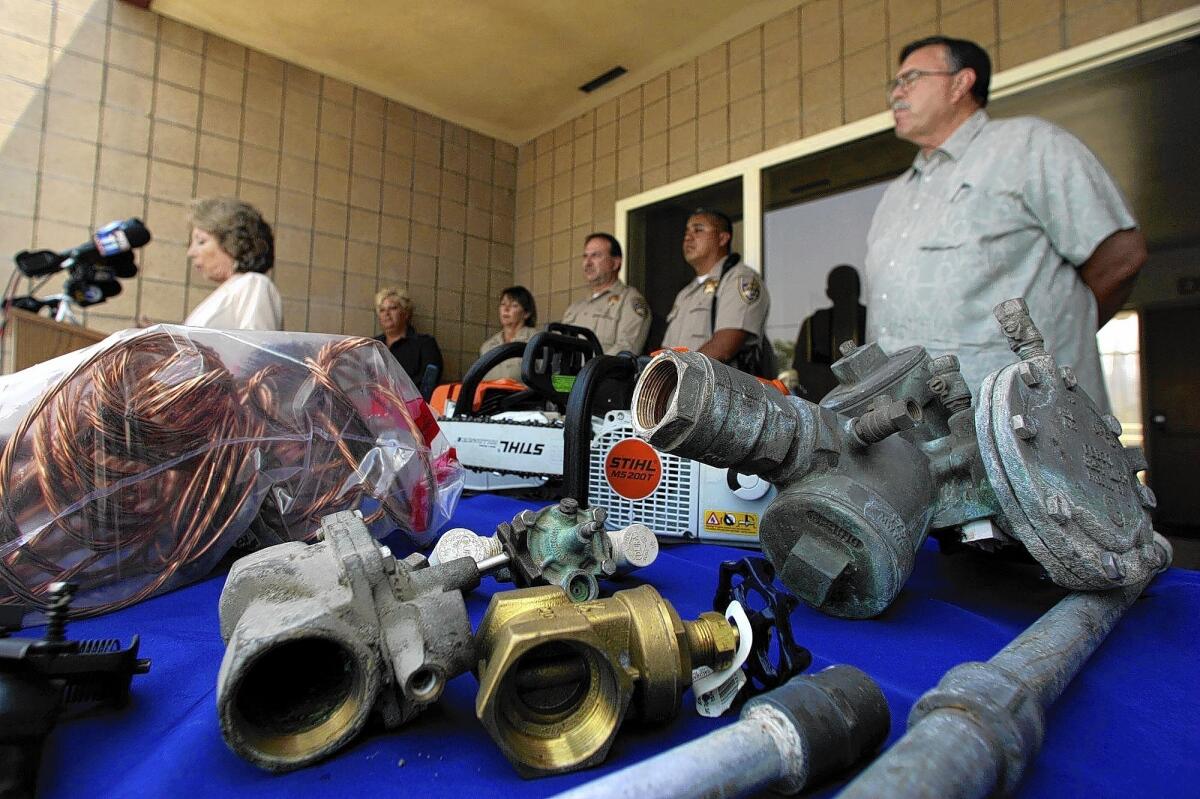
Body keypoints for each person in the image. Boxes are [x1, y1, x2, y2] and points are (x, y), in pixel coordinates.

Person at [865, 36, 1146, 406]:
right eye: (895, 84)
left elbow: (1120, 256)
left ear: (960, 83)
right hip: (913, 426)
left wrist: (1059, 335)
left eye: (911, 78)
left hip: (1017, 417)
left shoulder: (1029, 146)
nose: (896, 94)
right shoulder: (897, 193)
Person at [661, 208, 771, 374]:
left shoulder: (740, 279)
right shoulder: (685, 293)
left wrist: (673, 377)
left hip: (717, 393)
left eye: (698, 230)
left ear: (722, 238)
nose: (688, 237)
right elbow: (666, 351)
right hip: (678, 389)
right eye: (687, 232)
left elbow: (723, 348)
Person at [182, 197, 283, 330]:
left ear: (232, 243)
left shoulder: (253, 284)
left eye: (201, 241)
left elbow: (256, 348)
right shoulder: (233, 289)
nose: (191, 252)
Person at [561, 233, 650, 355]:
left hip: (602, 373)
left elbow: (627, 350)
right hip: (567, 375)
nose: (588, 262)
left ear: (615, 263)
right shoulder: (574, 308)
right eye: (585, 256)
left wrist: (588, 371)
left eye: (595, 255)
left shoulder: (630, 300)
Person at [793, 264, 867, 400]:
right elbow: (801, 370)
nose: (844, 294)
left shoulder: (869, 319)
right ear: (829, 293)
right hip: (823, 404)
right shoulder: (814, 324)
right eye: (841, 288)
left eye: (848, 288)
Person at [373, 286, 443, 393]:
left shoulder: (425, 344)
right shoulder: (371, 345)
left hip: (410, 406)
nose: (386, 314)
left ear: (405, 313)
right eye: (382, 310)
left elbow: (429, 382)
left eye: (393, 308)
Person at [479, 286, 537, 382]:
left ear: (526, 313)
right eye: (503, 304)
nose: (506, 309)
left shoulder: (535, 339)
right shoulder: (487, 346)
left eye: (514, 305)